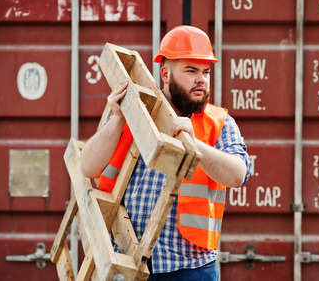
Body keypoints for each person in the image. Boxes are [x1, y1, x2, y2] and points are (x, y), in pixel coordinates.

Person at [80, 25, 251, 280]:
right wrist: (117, 118)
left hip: (191, 269)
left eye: (206, 72)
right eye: (191, 71)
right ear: (166, 74)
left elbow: (238, 174)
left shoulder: (220, 123)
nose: (201, 79)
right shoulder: (135, 112)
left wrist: (195, 144)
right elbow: (87, 166)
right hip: (129, 263)